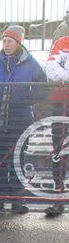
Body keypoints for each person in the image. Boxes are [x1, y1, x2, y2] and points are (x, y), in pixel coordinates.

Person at [0, 24, 46, 214]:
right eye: (4, 41)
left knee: (17, 160)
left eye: (9, 41)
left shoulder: (31, 63)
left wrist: (27, 99)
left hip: (20, 119)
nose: (6, 44)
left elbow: (43, 87)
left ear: (18, 42)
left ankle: (17, 200)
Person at [43, 34, 69, 216]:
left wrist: (64, 72)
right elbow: (50, 69)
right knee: (59, 151)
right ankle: (58, 199)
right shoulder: (61, 42)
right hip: (60, 104)